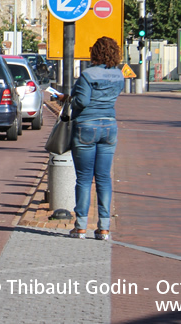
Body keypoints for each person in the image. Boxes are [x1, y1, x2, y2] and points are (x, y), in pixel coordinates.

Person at [63, 36, 125, 241]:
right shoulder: (119, 75)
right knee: (104, 177)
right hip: (109, 126)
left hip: (87, 127)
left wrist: (68, 98)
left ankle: (80, 226)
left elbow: (82, 101)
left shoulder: (87, 75)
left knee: (84, 178)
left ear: (95, 53)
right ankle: (104, 228)